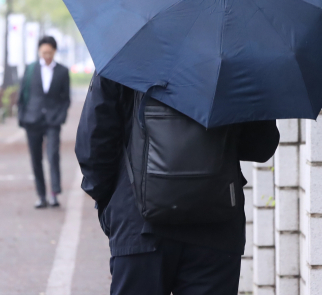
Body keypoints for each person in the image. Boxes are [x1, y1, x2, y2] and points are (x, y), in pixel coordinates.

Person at [75, 74, 280, 294]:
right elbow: (261, 146)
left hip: (139, 226)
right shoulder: (236, 57)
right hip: (216, 227)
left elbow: (93, 147)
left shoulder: (124, 53)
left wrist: (112, 205)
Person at [18, 36, 71, 209]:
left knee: (53, 155)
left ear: (54, 52)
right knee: (36, 158)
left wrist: (61, 117)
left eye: (49, 52)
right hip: (32, 120)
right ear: (39, 52)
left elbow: (66, 99)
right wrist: (22, 117)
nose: (46, 55)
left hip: (53, 121)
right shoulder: (31, 69)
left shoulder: (62, 71)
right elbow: (22, 94)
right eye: (43, 52)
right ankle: (41, 195)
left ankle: (54, 193)